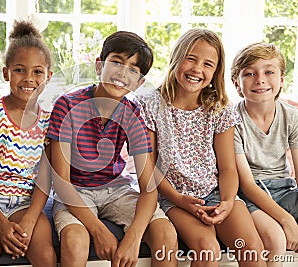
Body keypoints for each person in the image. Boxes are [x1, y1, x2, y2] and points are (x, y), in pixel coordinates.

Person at [47, 31, 178, 267]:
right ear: (99, 66)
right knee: (76, 240)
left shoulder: (133, 112)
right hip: (75, 191)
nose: (122, 73)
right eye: (116, 62)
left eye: (133, 69)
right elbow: (61, 182)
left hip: (116, 189)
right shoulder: (67, 105)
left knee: (166, 234)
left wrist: (134, 238)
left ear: (139, 83)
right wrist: (99, 231)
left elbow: (149, 187)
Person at [138, 28, 266, 267]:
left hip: (216, 193)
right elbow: (150, 168)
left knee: (253, 250)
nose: (197, 69)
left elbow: (228, 168)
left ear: (216, 71)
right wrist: (179, 199)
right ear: (177, 58)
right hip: (174, 197)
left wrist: (228, 202)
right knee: (208, 251)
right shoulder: (150, 105)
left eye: (208, 64)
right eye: (191, 58)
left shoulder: (218, 107)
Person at [0, 20, 56, 267]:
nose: (28, 78)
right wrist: (1, 223)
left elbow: (45, 177)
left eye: (37, 72)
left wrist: (30, 219)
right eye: (19, 70)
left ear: (48, 76)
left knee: (46, 256)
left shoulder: (49, 122)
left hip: (26, 203)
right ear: (6, 73)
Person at [231, 42, 298, 266]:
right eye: (249, 74)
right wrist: (286, 219)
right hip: (250, 194)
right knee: (275, 239)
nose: (260, 79)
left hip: (286, 190)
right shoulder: (231, 121)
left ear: (281, 80)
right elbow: (247, 184)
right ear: (236, 84)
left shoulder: (292, 116)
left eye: (269, 71)